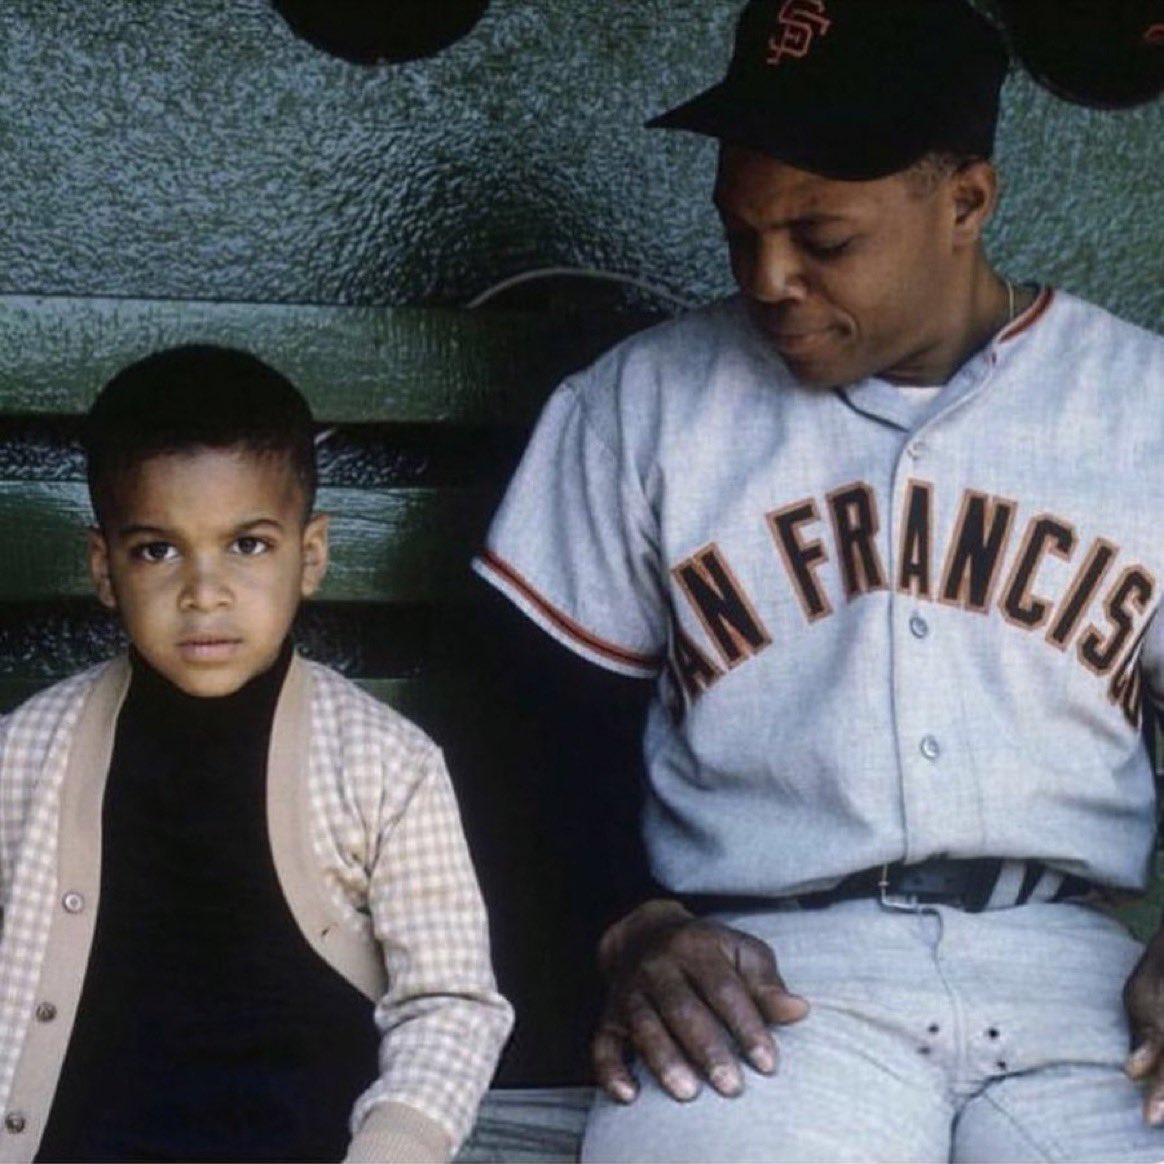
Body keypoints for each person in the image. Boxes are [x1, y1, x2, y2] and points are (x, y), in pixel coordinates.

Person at [473, 0, 1164, 1159]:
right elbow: (537, 734)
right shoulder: (642, 405)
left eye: (822, 238)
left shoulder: (1139, 406)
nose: (771, 277)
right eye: (741, 233)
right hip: (772, 983)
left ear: (967, 203)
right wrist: (633, 925)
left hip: (1082, 977)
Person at [0, 345, 513, 1163]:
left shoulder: (386, 765)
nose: (205, 592)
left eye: (248, 545)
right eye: (157, 550)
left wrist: (395, 1147)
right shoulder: (24, 754)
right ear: (105, 569)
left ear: (310, 556)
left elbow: (449, 1003)